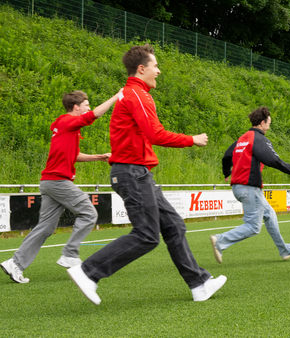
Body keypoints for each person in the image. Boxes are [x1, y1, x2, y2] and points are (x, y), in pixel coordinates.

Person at [67, 44, 225, 305]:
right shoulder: (135, 94)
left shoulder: (136, 95)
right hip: (131, 173)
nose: (159, 71)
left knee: (174, 226)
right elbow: (156, 134)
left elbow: (146, 134)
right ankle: (88, 272)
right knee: (147, 235)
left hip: (138, 173)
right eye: (155, 66)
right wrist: (191, 139)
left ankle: (199, 285)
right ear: (142, 69)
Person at [1, 89, 120, 284]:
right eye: (86, 104)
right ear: (76, 107)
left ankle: (15, 263)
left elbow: (74, 155)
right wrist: (117, 96)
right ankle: (70, 254)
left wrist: (98, 156)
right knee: (89, 214)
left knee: (45, 227)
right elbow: (94, 115)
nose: (89, 107)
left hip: (49, 182)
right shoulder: (67, 121)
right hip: (58, 182)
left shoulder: (66, 127)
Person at [211, 107, 290, 263]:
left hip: (238, 187)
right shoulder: (259, 139)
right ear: (263, 122)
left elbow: (226, 156)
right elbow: (273, 160)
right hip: (250, 188)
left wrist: (227, 173)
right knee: (253, 227)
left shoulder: (242, 138)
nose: (270, 126)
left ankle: (285, 250)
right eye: (269, 122)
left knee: (270, 215)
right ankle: (220, 241)